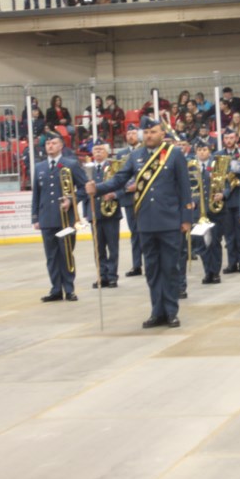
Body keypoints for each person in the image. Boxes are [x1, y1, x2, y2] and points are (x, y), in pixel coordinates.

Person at [88, 119, 191, 328]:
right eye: (146, 132)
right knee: (152, 269)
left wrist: (187, 219)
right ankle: (156, 311)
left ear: (162, 134)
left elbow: (184, 189)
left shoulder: (173, 155)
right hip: (145, 222)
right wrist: (97, 188)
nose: (149, 135)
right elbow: (119, 180)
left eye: (153, 131)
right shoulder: (135, 156)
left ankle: (171, 311)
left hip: (170, 221)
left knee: (170, 269)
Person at [32, 131, 87, 302]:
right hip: (47, 219)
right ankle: (56, 289)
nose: (50, 146)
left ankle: (69, 288)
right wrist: (35, 217)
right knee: (51, 256)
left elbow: (85, 188)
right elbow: (37, 194)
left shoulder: (71, 164)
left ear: (61, 146)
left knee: (66, 254)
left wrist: (71, 200)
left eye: (54, 143)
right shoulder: (40, 167)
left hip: (66, 220)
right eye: (48, 144)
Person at [85, 143, 122, 289]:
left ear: (107, 152)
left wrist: (114, 194)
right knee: (98, 248)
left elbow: (123, 186)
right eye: (95, 149)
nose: (98, 152)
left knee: (113, 247)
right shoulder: (88, 169)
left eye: (101, 149)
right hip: (95, 213)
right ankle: (101, 276)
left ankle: (112, 276)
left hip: (111, 214)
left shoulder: (114, 167)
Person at [216, 128, 240, 275]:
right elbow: (217, 178)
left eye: (232, 137)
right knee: (229, 235)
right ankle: (232, 262)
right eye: (227, 138)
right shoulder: (218, 155)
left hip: (239, 199)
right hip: (225, 202)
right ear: (223, 140)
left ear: (236, 138)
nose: (229, 140)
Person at [192, 140, 223, 284]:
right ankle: (207, 272)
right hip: (197, 210)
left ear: (209, 151)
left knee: (214, 242)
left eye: (204, 149)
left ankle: (215, 272)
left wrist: (223, 194)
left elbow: (225, 184)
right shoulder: (191, 166)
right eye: (199, 150)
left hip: (213, 210)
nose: (202, 152)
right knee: (201, 244)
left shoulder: (215, 165)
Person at [115, 126, 142, 277]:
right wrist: (126, 187)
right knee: (134, 232)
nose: (131, 136)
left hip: (144, 196)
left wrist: (138, 185)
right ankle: (137, 265)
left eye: (133, 133)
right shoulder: (121, 154)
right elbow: (118, 175)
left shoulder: (145, 150)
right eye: (128, 133)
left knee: (147, 231)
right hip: (128, 197)